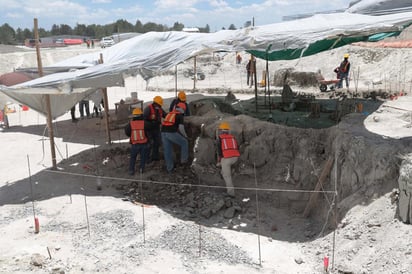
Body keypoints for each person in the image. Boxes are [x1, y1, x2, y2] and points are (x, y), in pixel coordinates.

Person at [161, 107, 189, 173]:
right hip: (171, 133)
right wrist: (185, 136)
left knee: (168, 151)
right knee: (184, 142)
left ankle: (170, 169)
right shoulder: (179, 115)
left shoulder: (169, 114)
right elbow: (181, 128)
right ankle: (184, 161)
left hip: (163, 133)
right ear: (182, 110)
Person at [216, 121, 240, 197]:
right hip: (235, 158)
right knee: (224, 171)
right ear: (228, 130)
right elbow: (237, 147)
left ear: (221, 131)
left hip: (227, 159)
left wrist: (219, 162)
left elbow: (219, 152)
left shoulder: (220, 138)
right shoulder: (233, 137)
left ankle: (231, 193)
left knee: (227, 176)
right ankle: (227, 171)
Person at [125, 108, 149, 175]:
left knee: (133, 158)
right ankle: (141, 170)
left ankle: (131, 171)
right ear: (141, 115)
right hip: (143, 143)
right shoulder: (145, 123)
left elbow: (127, 132)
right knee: (143, 157)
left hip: (134, 144)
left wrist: (132, 136)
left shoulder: (130, 124)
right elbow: (148, 131)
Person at [143, 96, 166, 163]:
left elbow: (165, 115)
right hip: (149, 129)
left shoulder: (160, 109)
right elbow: (144, 119)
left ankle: (155, 157)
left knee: (157, 142)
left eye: (160, 105)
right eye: (159, 104)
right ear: (155, 103)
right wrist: (150, 123)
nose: (159, 106)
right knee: (150, 144)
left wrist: (172, 115)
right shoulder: (148, 109)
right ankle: (146, 158)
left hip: (156, 128)